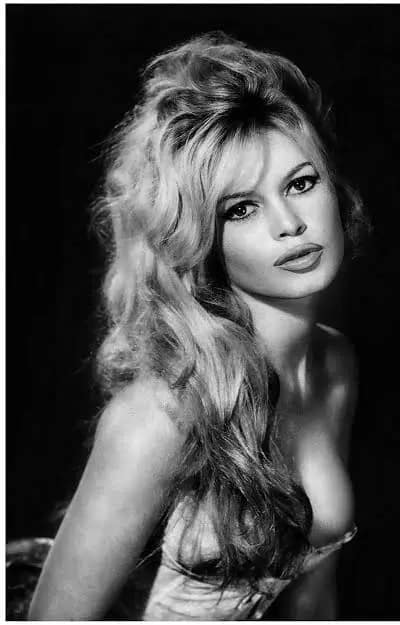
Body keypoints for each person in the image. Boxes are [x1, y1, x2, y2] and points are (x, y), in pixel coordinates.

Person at [28, 31, 369, 620]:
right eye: (242, 209)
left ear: (334, 191)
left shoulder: (333, 366)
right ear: (201, 238)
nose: (289, 223)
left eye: (300, 183)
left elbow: (315, 599)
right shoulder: (159, 417)